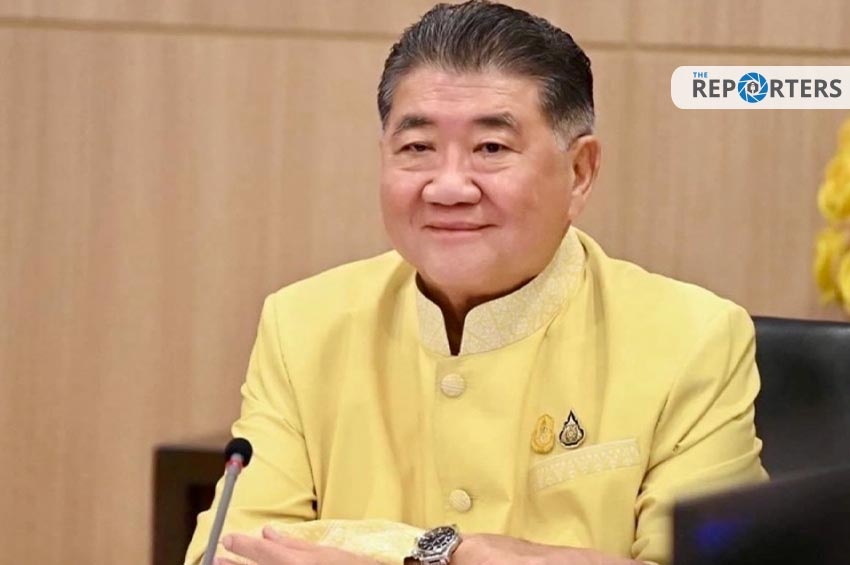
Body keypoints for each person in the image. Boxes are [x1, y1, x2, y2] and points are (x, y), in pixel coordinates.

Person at [185, 2, 767, 564]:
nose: (449, 187)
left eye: (491, 148)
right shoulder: (302, 325)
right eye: (417, 148)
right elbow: (231, 554)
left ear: (579, 172)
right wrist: (456, 556)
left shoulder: (693, 339)